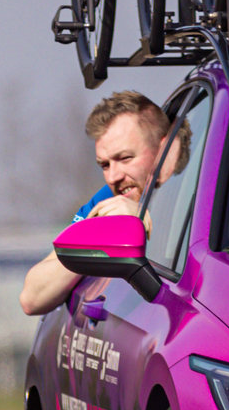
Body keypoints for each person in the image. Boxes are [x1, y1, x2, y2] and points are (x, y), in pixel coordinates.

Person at [18, 91, 167, 316]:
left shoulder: (201, 195)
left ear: (163, 152)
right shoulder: (107, 199)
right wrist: (102, 237)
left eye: (125, 158)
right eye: (104, 165)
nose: (112, 177)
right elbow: (31, 298)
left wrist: (144, 220)